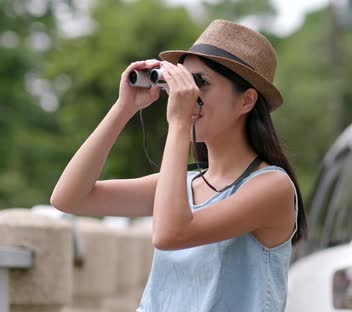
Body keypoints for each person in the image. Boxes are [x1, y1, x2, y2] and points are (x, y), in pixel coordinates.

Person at [50, 19, 307, 312]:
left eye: (200, 83)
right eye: (182, 82)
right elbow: (69, 198)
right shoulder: (185, 185)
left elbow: (170, 234)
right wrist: (124, 108)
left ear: (246, 101)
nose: (187, 94)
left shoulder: (271, 186)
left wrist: (180, 123)